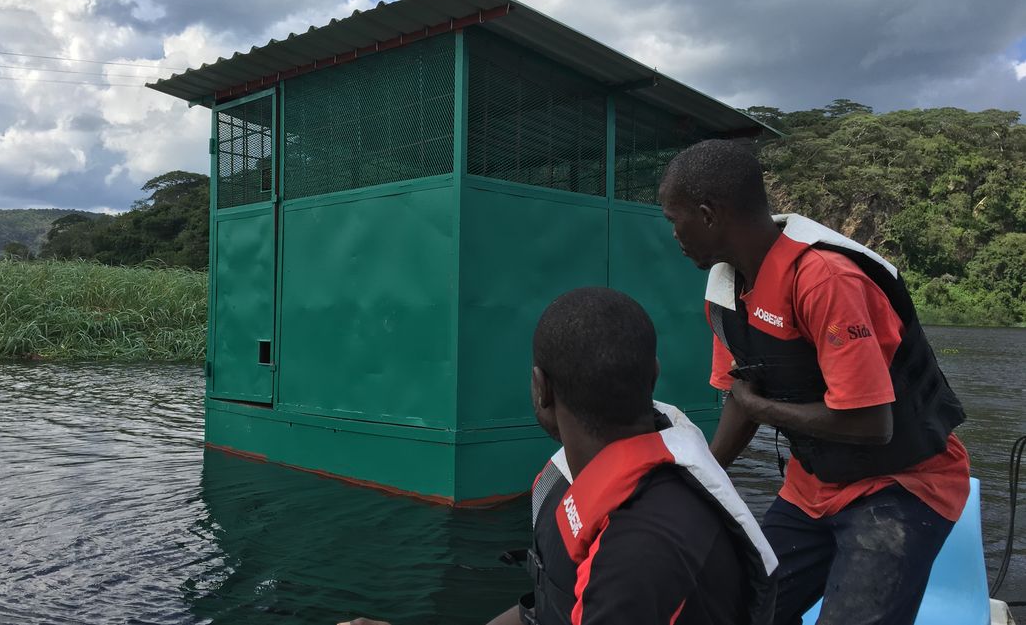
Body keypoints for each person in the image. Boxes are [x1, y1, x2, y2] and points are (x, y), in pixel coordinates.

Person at [658, 139, 970, 625]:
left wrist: (765, 411)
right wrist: (700, 481)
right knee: (735, 610)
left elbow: (871, 424)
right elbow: (741, 399)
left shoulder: (825, 279)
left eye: (674, 219)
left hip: (902, 485)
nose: (674, 234)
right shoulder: (724, 288)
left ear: (708, 214)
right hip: (812, 487)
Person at [339, 287, 777, 625]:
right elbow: (542, 610)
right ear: (655, 374)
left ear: (540, 389)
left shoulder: (642, 555)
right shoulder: (572, 478)